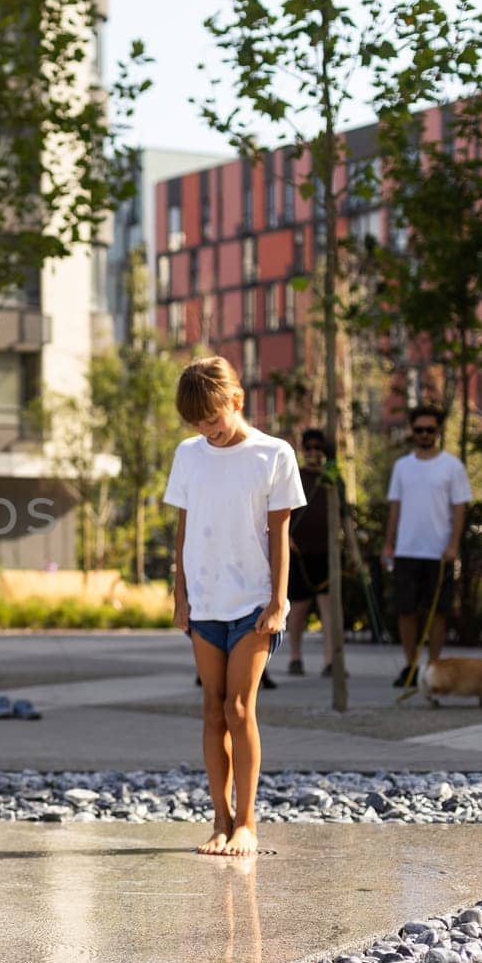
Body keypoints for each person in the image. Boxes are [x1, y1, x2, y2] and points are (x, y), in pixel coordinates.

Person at [164, 357, 304, 858]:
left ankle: (247, 822)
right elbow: (183, 529)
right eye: (197, 423)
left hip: (253, 603)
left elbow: (280, 536)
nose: (207, 431)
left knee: (239, 707)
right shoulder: (189, 454)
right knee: (210, 708)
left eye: (213, 419)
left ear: (236, 402)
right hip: (204, 601)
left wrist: (278, 602)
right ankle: (219, 819)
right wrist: (179, 594)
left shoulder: (274, 455)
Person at [384, 404, 471, 687]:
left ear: (438, 431)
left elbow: (459, 508)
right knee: (405, 610)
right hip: (407, 550)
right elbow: (395, 508)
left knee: (438, 612)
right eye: (419, 430)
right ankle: (410, 667)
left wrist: (453, 544)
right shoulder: (402, 467)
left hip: (439, 552)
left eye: (430, 430)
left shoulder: (452, 466)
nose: (424, 434)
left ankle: (433, 667)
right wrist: (389, 544)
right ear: (412, 431)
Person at [285, 428, 335, 677]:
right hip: (299, 553)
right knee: (299, 607)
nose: (314, 453)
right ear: (302, 450)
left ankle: (330, 660)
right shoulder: (294, 476)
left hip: (327, 552)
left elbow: (344, 514)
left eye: (319, 448)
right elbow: (282, 512)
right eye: (309, 448)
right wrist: (286, 539)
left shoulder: (332, 479)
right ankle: (295, 657)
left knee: (328, 607)